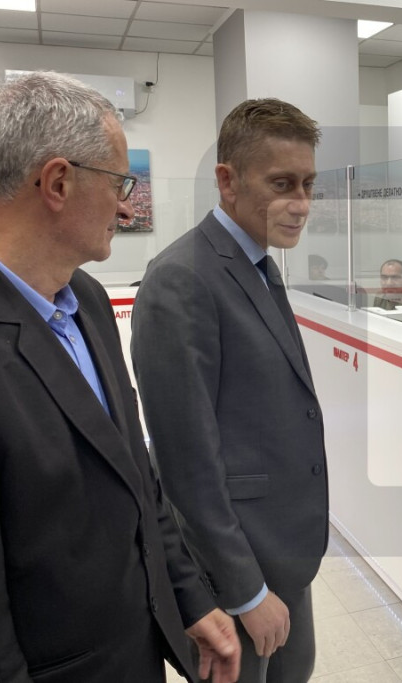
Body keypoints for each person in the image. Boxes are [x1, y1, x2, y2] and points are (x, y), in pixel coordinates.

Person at [0, 72, 239, 682]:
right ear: (58, 182)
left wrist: (190, 598)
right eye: (119, 184)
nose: (126, 206)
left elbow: (135, 475)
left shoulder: (85, 298)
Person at [132, 98, 329, 683]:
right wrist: (245, 591)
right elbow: (185, 462)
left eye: (309, 185)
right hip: (236, 573)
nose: (301, 204)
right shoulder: (182, 279)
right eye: (282, 184)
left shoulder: (259, 266)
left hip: (282, 554)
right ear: (228, 181)